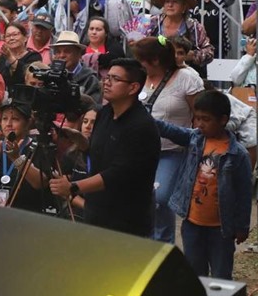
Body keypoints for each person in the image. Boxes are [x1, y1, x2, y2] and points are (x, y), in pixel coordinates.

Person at [49, 59, 161, 238]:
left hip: (125, 220)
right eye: (107, 77)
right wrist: (81, 142)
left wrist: (73, 187)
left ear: (133, 88)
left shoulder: (141, 126)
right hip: (96, 213)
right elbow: (99, 154)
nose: (106, 82)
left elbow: (118, 173)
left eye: (115, 79)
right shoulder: (105, 113)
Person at [154, 90, 252, 279]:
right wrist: (149, 120)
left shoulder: (238, 154)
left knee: (221, 273)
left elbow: (244, 193)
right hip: (192, 223)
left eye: (205, 119)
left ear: (223, 120)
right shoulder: (195, 139)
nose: (199, 124)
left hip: (221, 229)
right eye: (197, 118)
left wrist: (242, 226)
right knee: (194, 272)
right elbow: (171, 130)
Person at [131, 35, 204, 243]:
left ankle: (163, 248)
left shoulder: (186, 78)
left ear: (154, 60)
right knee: (139, 200)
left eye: (141, 59)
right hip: (140, 150)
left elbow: (201, 115)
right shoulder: (139, 77)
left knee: (160, 199)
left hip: (173, 149)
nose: (138, 64)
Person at [49, 31, 103, 107]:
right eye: (58, 52)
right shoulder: (48, 75)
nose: (61, 55)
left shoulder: (90, 80)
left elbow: (94, 109)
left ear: (79, 54)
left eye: (67, 51)